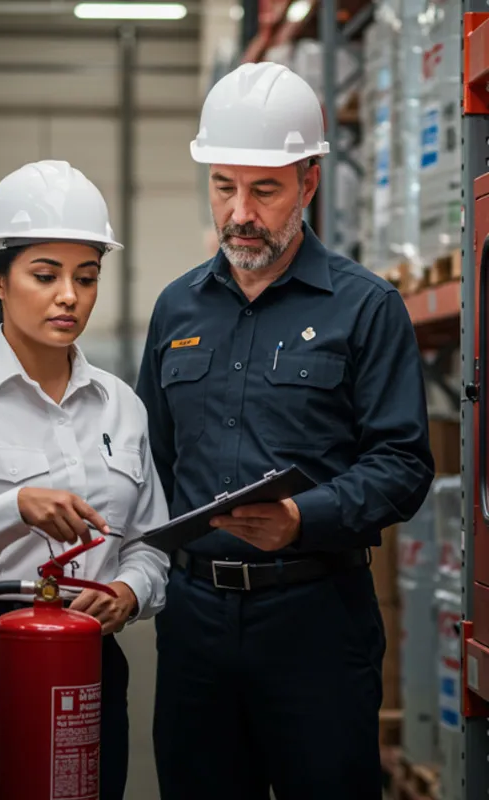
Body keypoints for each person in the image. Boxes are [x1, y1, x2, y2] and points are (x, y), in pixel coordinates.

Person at [135, 62, 435, 800]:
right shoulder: (176, 310)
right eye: (223, 186)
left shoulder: (366, 308)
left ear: (308, 182)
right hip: (195, 624)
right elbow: (152, 461)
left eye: (264, 190)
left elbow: (403, 464)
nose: (240, 212)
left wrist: (303, 517)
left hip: (317, 623)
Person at [0, 159, 170, 800]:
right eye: (45, 276)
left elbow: (151, 543)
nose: (68, 295)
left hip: (90, 656)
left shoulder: (122, 406)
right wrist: (11, 508)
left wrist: (127, 592)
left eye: (86, 277)